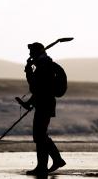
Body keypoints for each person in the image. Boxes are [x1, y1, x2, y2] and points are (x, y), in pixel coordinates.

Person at [17, 42, 66, 176]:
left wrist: (28, 72)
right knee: (40, 135)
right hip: (44, 102)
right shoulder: (44, 64)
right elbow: (39, 89)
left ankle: (46, 164)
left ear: (36, 53)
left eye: (31, 52)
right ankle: (53, 161)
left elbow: (36, 87)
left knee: (39, 136)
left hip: (45, 103)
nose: (29, 54)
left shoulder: (43, 66)